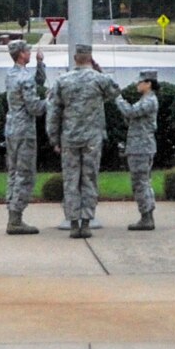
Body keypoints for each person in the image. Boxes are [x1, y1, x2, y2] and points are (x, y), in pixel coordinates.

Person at [48, 43, 116, 240]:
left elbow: (54, 112)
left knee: (71, 180)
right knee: (89, 178)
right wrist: (100, 70)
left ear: (75, 58)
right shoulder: (99, 79)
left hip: (69, 137)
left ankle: (73, 223)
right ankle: (86, 222)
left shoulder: (63, 80)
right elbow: (114, 92)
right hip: (92, 137)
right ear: (90, 58)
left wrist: (53, 137)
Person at [1, 40, 48, 234]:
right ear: (21, 54)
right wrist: (51, 100)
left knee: (13, 172)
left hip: (11, 128)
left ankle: (11, 211)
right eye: (28, 50)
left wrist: (39, 64)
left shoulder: (11, 75)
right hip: (24, 131)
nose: (30, 52)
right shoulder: (24, 79)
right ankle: (16, 217)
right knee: (25, 173)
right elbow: (35, 108)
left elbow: (36, 82)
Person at [114, 70, 160, 231]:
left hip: (141, 147)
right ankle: (147, 215)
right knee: (144, 182)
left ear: (148, 84)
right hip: (141, 146)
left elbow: (130, 112)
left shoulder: (149, 101)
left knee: (140, 183)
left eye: (140, 82)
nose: (137, 85)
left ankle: (146, 217)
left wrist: (117, 98)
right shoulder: (146, 100)